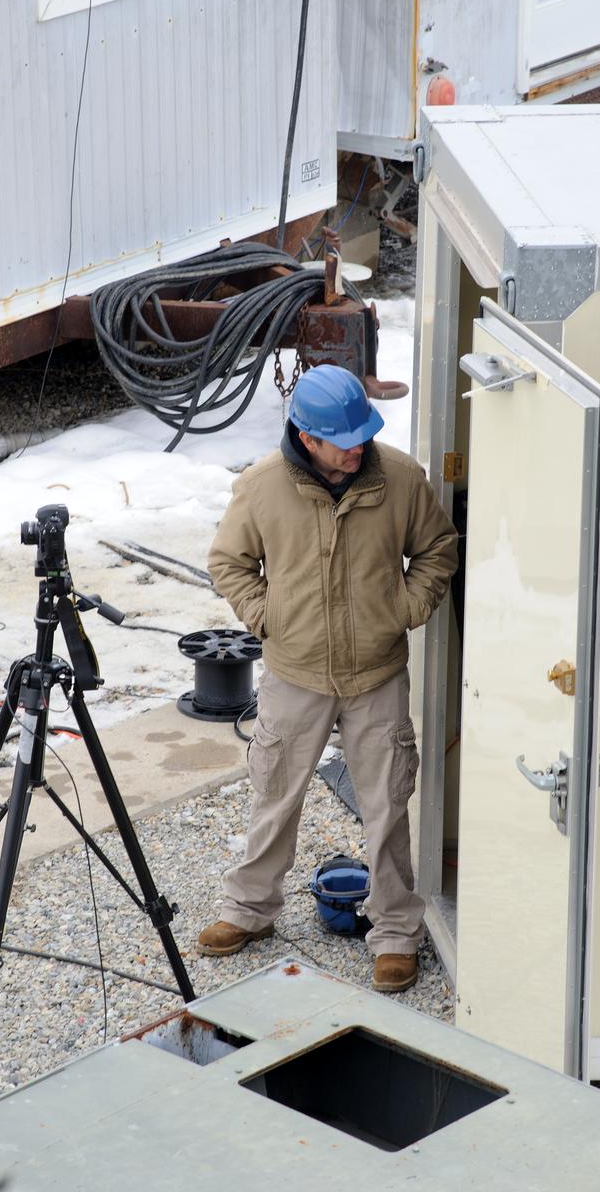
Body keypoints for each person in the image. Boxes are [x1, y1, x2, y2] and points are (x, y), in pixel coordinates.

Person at [198, 364, 458, 992]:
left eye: (364, 434)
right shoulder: (260, 488)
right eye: (345, 439)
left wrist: (403, 610)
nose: (358, 447)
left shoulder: (400, 479)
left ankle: (396, 932)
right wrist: (269, 619)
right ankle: (250, 909)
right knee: (274, 795)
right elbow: (228, 563)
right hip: (294, 675)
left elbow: (438, 549)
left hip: (376, 676)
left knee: (388, 805)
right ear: (306, 437)